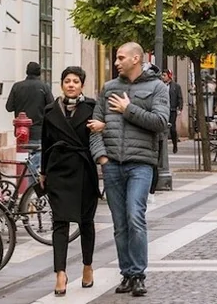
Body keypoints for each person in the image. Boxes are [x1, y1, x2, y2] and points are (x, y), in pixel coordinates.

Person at [89, 42, 170, 297]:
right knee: (119, 223)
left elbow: (160, 123)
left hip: (140, 164)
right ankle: (126, 274)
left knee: (135, 216)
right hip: (112, 165)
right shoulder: (109, 88)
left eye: (121, 57)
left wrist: (128, 110)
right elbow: (95, 125)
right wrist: (101, 158)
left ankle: (138, 274)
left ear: (137, 58)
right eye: (116, 58)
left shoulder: (157, 88)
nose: (116, 62)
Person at [41, 66, 99, 296]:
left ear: (82, 85)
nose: (71, 84)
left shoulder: (92, 109)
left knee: (86, 222)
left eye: (76, 81)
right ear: (62, 84)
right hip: (58, 171)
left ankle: (87, 267)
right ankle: (60, 274)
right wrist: (43, 171)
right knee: (60, 223)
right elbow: (45, 144)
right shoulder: (50, 110)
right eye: (67, 81)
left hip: (84, 169)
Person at [6, 61, 54, 178]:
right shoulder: (44, 87)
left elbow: (9, 107)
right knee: (37, 158)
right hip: (39, 129)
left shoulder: (17, 86)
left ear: (27, 72)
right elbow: (52, 107)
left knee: (22, 157)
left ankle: (23, 183)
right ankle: (32, 184)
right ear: (39, 73)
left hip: (20, 131)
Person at [162, 71, 183, 154]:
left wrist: (179, 108)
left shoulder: (176, 86)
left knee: (172, 128)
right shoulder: (161, 86)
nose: (162, 77)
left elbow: (180, 98)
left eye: (164, 75)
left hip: (172, 110)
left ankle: (175, 144)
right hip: (163, 109)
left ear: (169, 76)